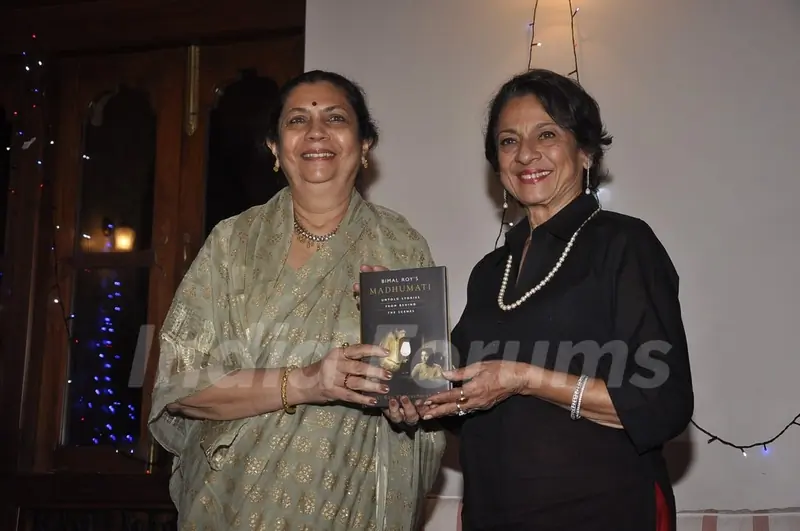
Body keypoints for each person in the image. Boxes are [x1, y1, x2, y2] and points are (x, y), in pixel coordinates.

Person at [148, 70, 445, 530]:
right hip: (238, 503)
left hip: (355, 504)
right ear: (274, 147)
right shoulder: (232, 244)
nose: (316, 132)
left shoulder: (400, 246)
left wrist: (413, 402)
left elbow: (419, 385)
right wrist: (307, 382)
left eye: (335, 118)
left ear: (365, 144)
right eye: (297, 121)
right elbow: (180, 384)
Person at [420, 69, 694, 530]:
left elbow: (661, 403)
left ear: (584, 151)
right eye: (508, 141)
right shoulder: (490, 272)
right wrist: (412, 362)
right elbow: (464, 401)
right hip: (495, 513)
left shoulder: (624, 244)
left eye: (546, 134)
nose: (526, 153)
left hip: (601, 510)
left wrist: (524, 378)